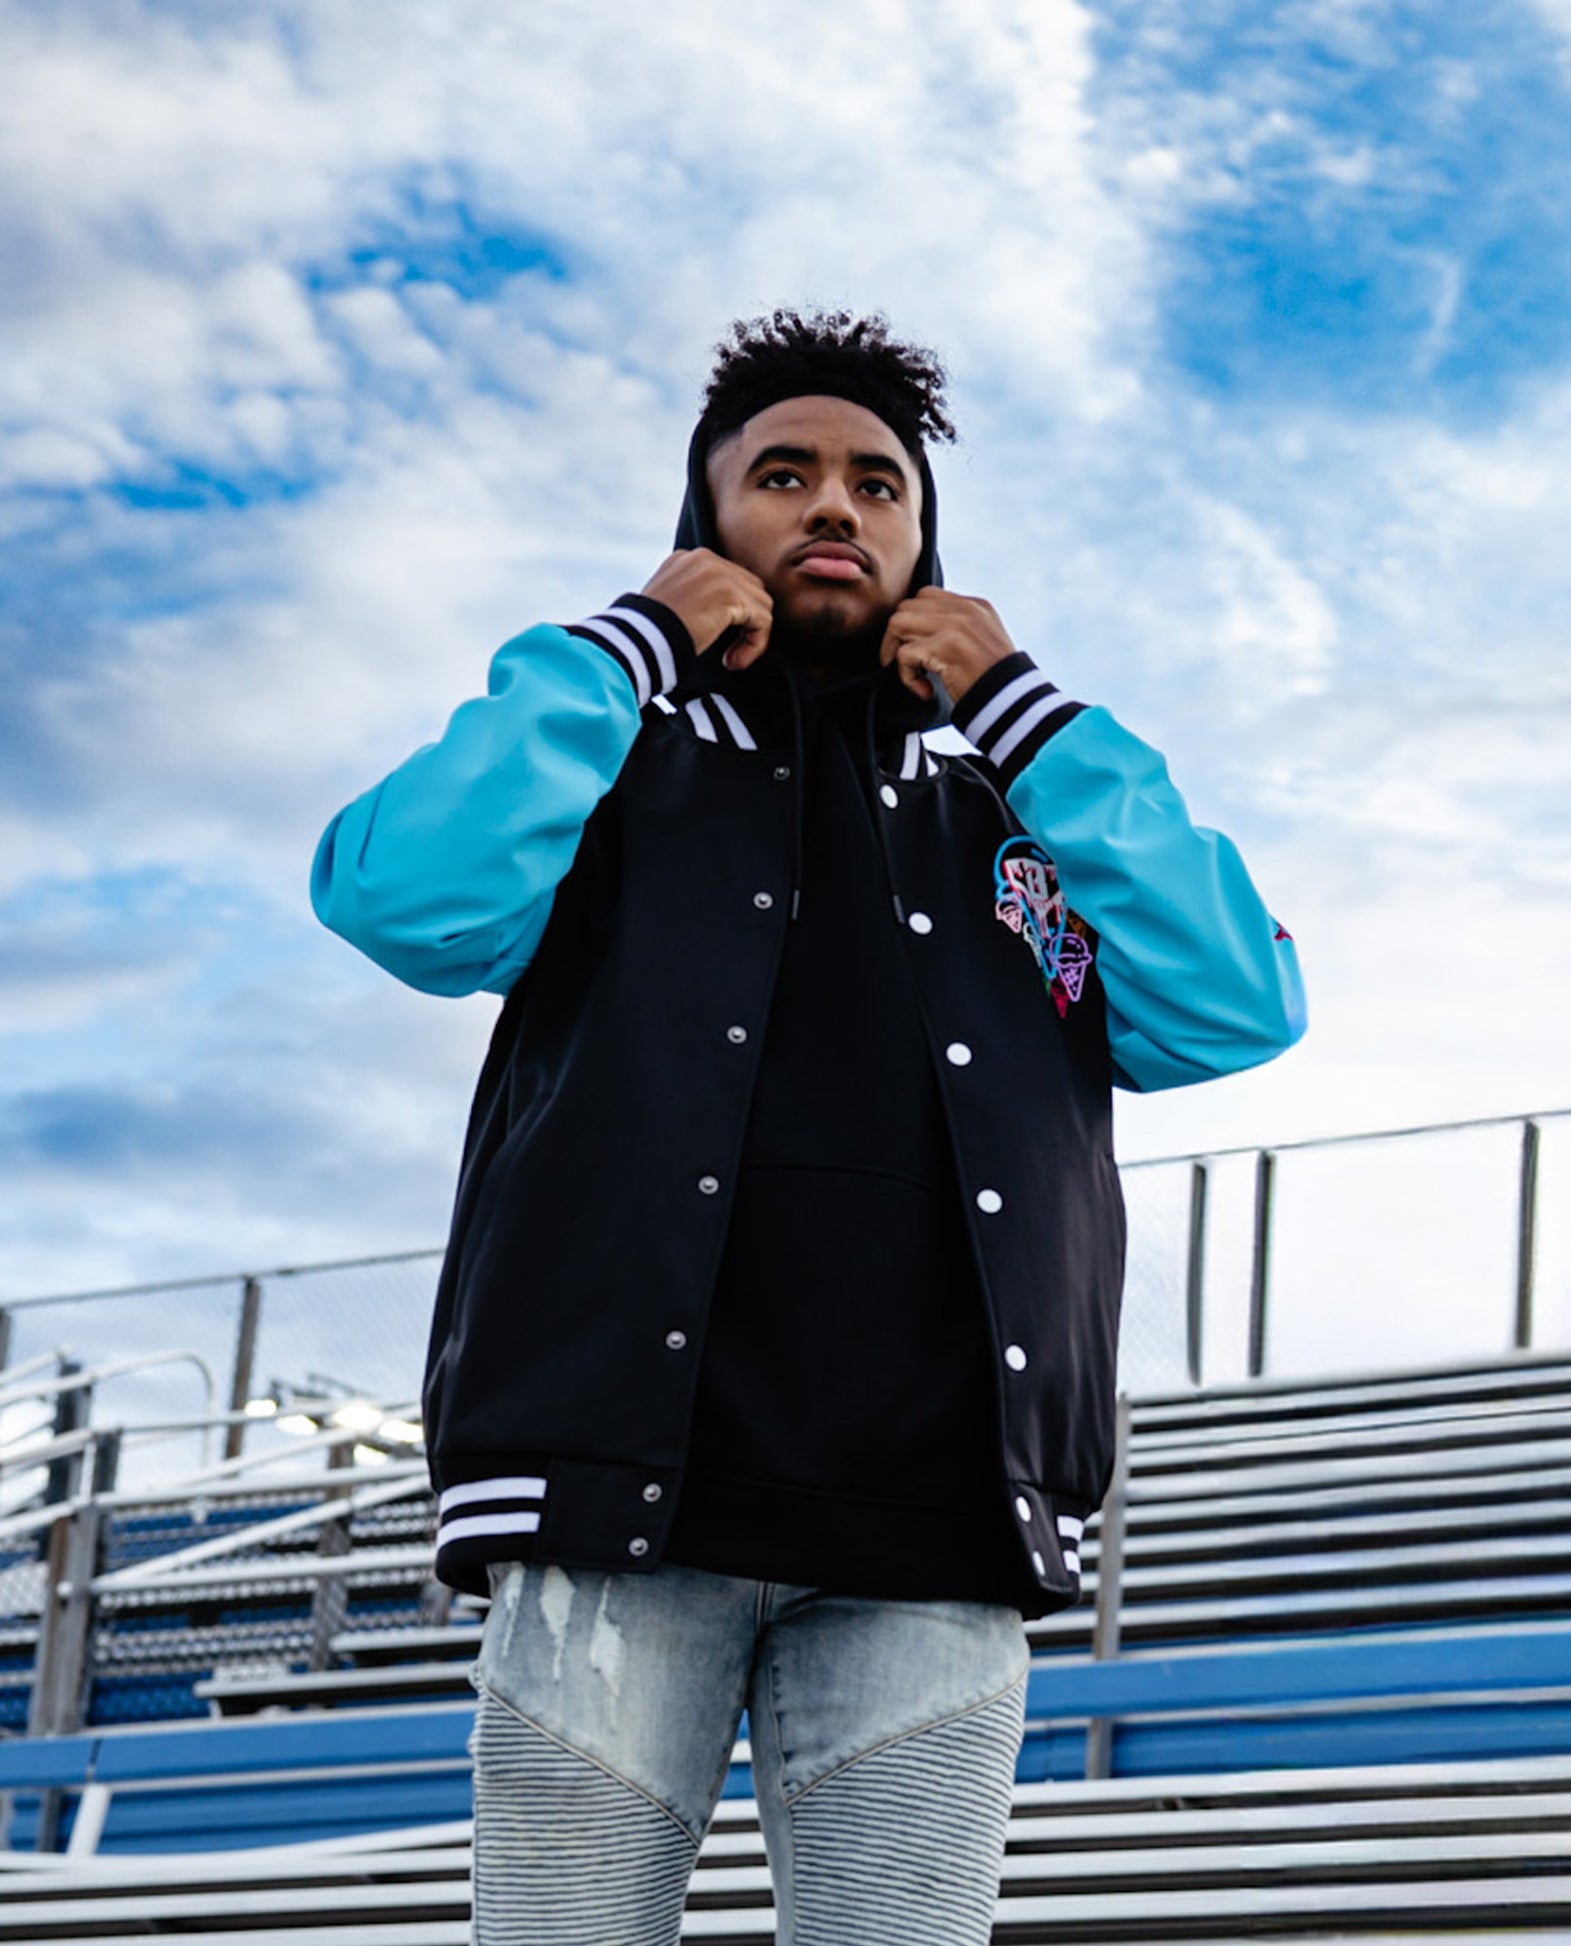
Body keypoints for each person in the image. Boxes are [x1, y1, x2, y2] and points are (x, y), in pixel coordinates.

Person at [311, 308, 1305, 1946]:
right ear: (707, 525)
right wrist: (623, 640)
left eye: (875, 483)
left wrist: (1025, 710)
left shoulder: (1019, 796)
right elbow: (407, 899)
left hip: (929, 1520)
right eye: (781, 475)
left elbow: (1229, 1005)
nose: (832, 507)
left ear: (925, 543)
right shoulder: (604, 756)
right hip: (616, 1500)